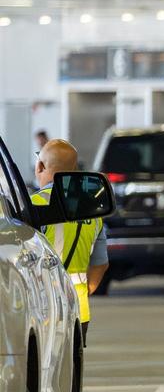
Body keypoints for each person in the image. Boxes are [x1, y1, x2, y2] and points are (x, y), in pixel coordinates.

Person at [31, 139, 108, 343]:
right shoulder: (92, 210)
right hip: (79, 310)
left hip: (42, 310)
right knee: (72, 361)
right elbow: (101, 264)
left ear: (40, 166)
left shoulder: (32, 205)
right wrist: (82, 291)